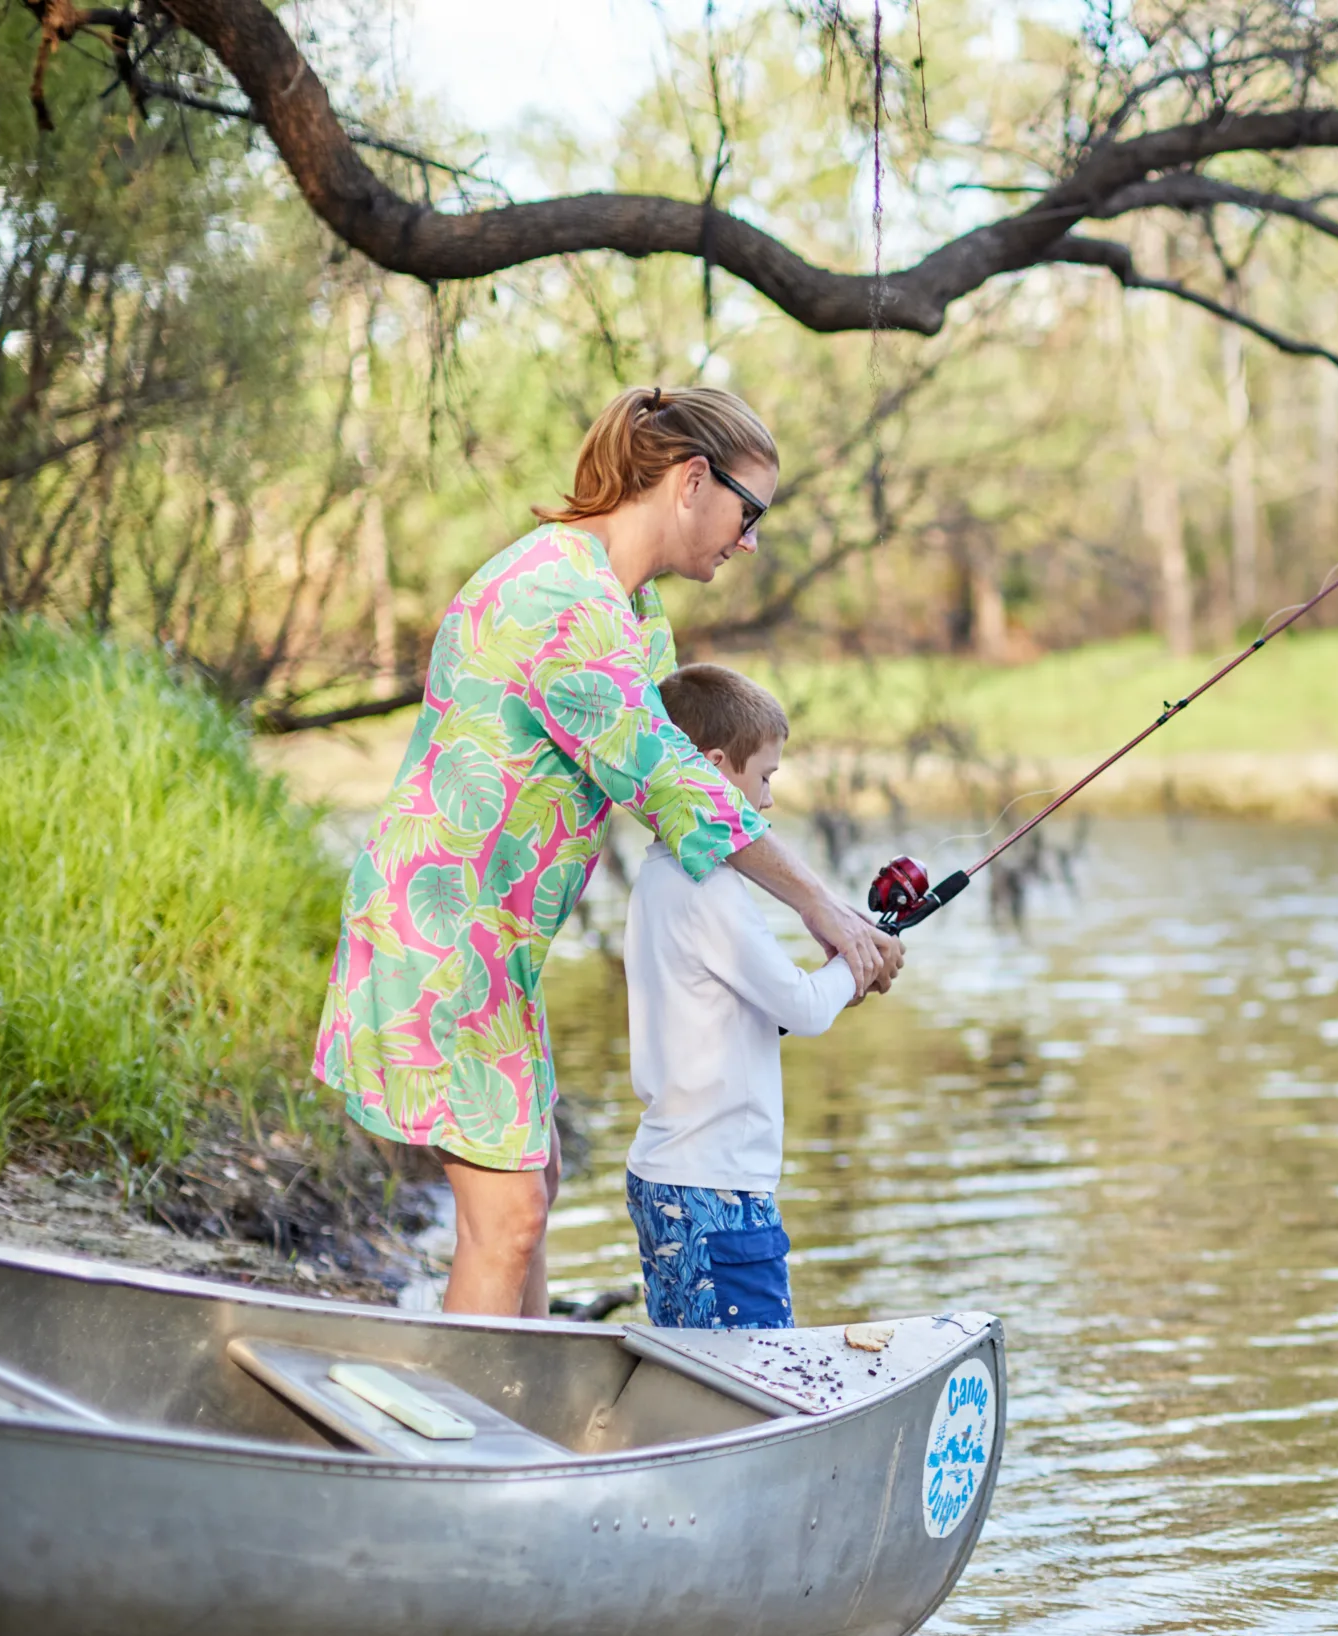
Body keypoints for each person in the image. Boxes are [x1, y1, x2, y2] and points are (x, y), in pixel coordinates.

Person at [311, 386, 903, 1318]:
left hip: (496, 952)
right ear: (692, 481)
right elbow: (673, 781)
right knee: (504, 1221)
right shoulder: (565, 599)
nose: (748, 541)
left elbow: (679, 775)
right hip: (438, 938)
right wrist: (819, 909)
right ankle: (470, 1448)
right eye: (748, 514)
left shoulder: (630, 607)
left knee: (529, 1200)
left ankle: (525, 1404)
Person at [621, 664, 856, 1329]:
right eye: (765, 778)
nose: (768, 801)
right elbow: (806, 1009)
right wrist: (857, 964)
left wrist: (836, 976)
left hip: (668, 1174)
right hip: (715, 1186)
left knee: (694, 1366)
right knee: (752, 1377)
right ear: (717, 767)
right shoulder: (712, 888)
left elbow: (722, 1008)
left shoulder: (659, 879)